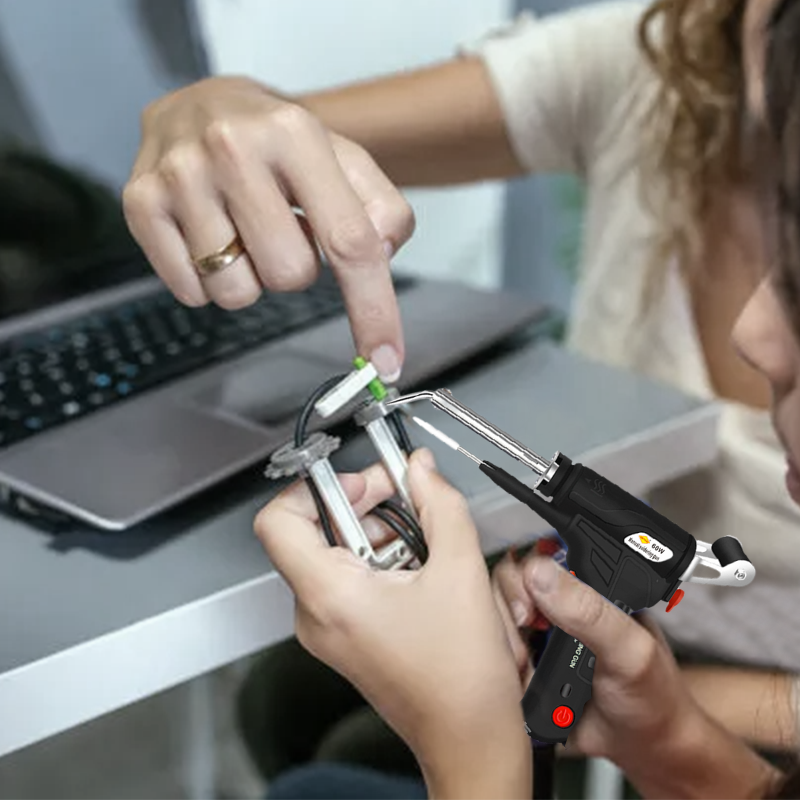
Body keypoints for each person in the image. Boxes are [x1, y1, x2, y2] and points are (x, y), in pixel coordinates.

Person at [122, 0, 800, 782]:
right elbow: (269, 140)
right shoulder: (664, 66)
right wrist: (210, 114)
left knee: (331, 776)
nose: (753, 333)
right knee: (292, 702)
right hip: (634, 650)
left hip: (711, 684)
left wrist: (471, 731)